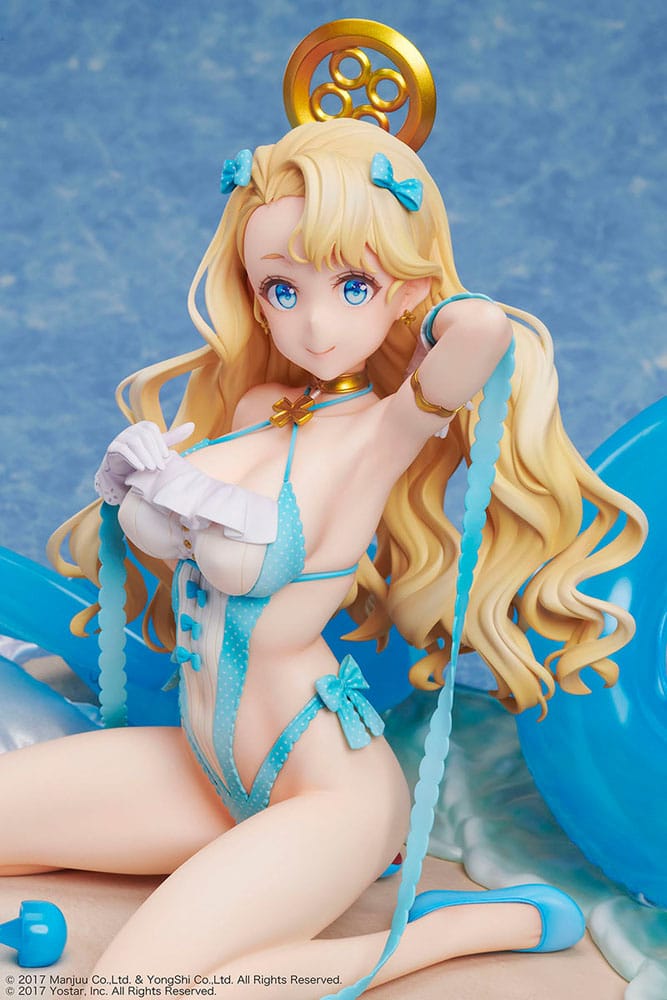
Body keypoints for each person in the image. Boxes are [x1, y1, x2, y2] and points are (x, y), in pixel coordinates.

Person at [0, 117, 645, 997]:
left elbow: (483, 332)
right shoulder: (254, 408)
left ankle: (459, 930)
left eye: (351, 284)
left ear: (401, 289)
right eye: (281, 286)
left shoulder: (384, 430)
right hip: (204, 767)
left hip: (326, 794)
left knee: (137, 986)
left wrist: (433, 302)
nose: (312, 322)